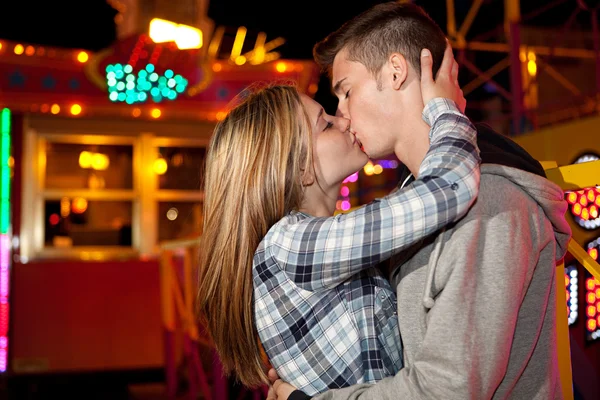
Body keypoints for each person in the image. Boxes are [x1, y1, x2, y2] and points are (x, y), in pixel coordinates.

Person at [268, 2, 572, 399]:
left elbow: (446, 390)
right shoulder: (414, 205)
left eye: (346, 91)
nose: (341, 114)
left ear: (396, 72)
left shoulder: (489, 203)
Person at [196, 41, 481, 395]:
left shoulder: (307, 244)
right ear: (300, 168)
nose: (343, 120)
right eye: (326, 124)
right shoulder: (289, 246)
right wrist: (446, 110)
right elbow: (449, 188)